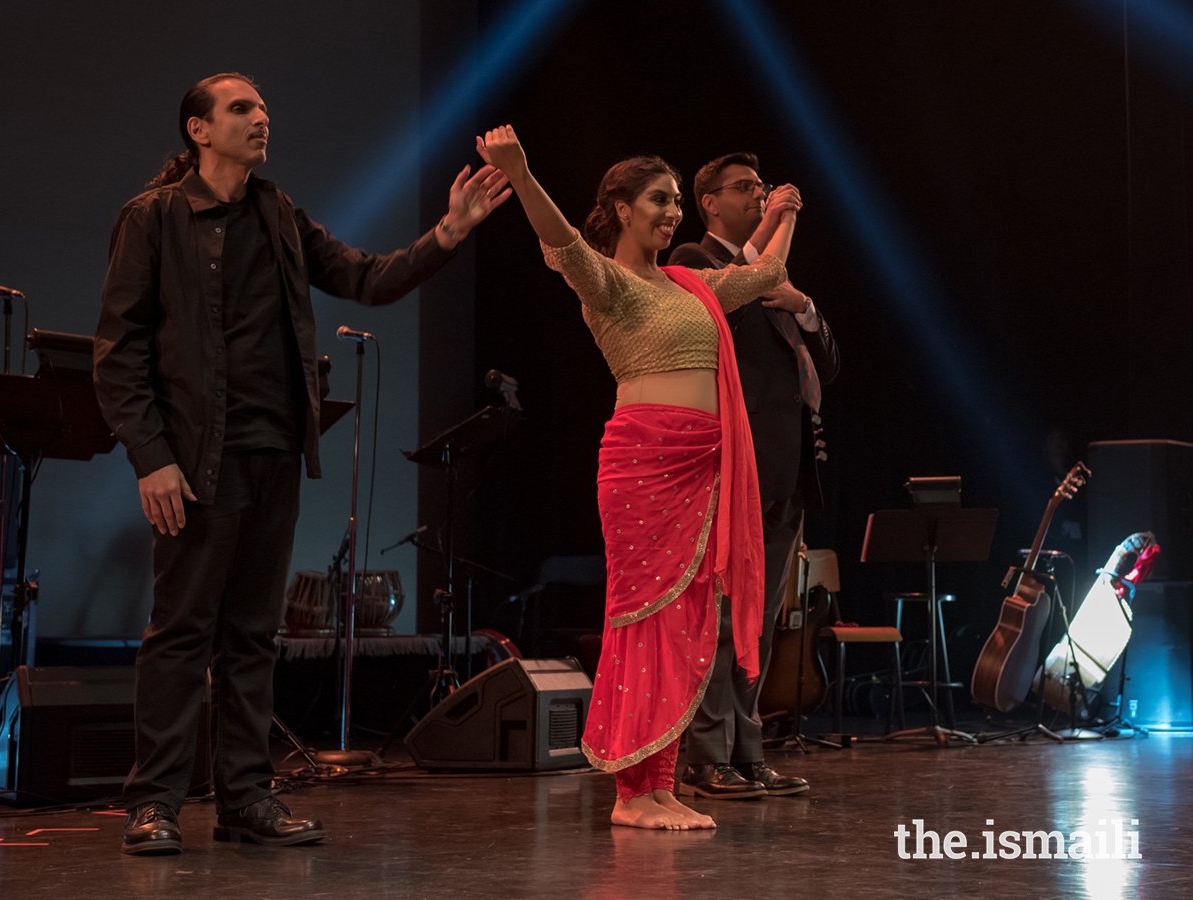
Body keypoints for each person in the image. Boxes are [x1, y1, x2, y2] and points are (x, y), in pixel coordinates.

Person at [94, 73, 510, 856]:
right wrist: (151, 459)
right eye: (242, 109)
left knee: (252, 636)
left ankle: (245, 798)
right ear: (198, 130)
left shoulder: (279, 214)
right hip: (194, 460)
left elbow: (366, 276)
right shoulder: (153, 219)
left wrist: (448, 234)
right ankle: (152, 802)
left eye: (263, 108)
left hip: (275, 452)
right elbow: (119, 356)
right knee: (181, 633)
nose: (262, 118)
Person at [476, 125, 803, 830]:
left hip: (703, 464)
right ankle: (631, 792)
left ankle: (659, 785)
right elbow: (561, 243)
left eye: (678, 200)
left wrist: (784, 217)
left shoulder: (688, 283)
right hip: (645, 465)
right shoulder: (609, 282)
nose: (672, 212)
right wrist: (524, 174)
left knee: (686, 626)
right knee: (642, 623)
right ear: (621, 208)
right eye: (659, 199)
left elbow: (765, 278)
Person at [669, 153, 839, 800]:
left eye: (762, 188)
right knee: (719, 618)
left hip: (786, 472)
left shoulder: (771, 280)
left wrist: (805, 306)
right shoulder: (696, 260)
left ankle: (748, 751)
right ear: (708, 200)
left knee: (759, 624)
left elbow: (829, 365)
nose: (758, 196)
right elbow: (733, 303)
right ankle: (706, 755)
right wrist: (778, 224)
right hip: (730, 468)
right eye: (744, 188)